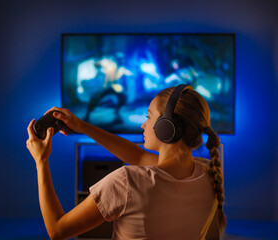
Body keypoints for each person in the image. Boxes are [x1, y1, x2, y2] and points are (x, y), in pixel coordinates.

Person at [26, 84, 226, 240]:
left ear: (167, 127)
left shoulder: (127, 182)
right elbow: (138, 157)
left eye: (149, 116)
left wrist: (41, 161)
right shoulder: (208, 173)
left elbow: (57, 230)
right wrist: (81, 126)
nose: (143, 123)